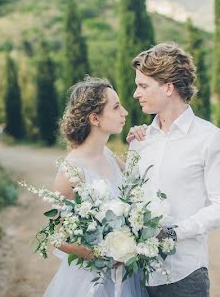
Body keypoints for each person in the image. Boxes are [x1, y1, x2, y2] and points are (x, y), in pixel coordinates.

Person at [126, 43, 220, 297]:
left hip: (184, 274)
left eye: (143, 86)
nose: (135, 93)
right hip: (136, 272)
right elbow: (129, 198)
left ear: (168, 87)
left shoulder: (210, 138)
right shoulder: (140, 139)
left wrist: (175, 233)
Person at [43, 77, 148, 297]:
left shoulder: (109, 155)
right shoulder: (71, 170)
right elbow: (54, 236)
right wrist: (99, 254)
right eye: (116, 107)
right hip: (89, 282)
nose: (125, 112)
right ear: (95, 118)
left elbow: (138, 187)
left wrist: (137, 144)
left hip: (125, 277)